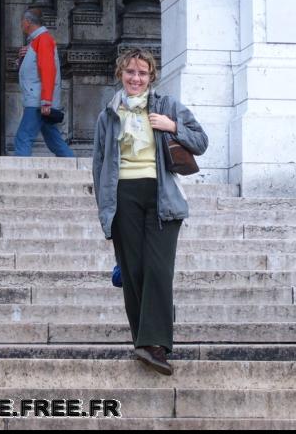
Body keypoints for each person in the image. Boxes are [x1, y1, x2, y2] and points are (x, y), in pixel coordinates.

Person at [92, 48, 208, 376]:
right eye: (130, 72)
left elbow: (201, 140)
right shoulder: (108, 115)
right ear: (121, 74)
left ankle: (155, 343)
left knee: (158, 270)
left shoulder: (167, 107)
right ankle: (144, 344)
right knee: (134, 271)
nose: (136, 78)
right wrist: (105, 211)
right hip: (123, 195)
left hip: (161, 196)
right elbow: (99, 165)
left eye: (142, 73)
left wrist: (172, 126)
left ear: (151, 76)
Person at [14, 8, 74, 157]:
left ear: (28, 22)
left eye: (22, 21)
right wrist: (22, 59)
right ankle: (79, 168)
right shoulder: (38, 41)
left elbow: (48, 71)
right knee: (55, 142)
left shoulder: (43, 40)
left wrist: (46, 101)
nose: (21, 24)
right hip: (38, 99)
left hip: (37, 101)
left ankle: (22, 176)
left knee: (22, 138)